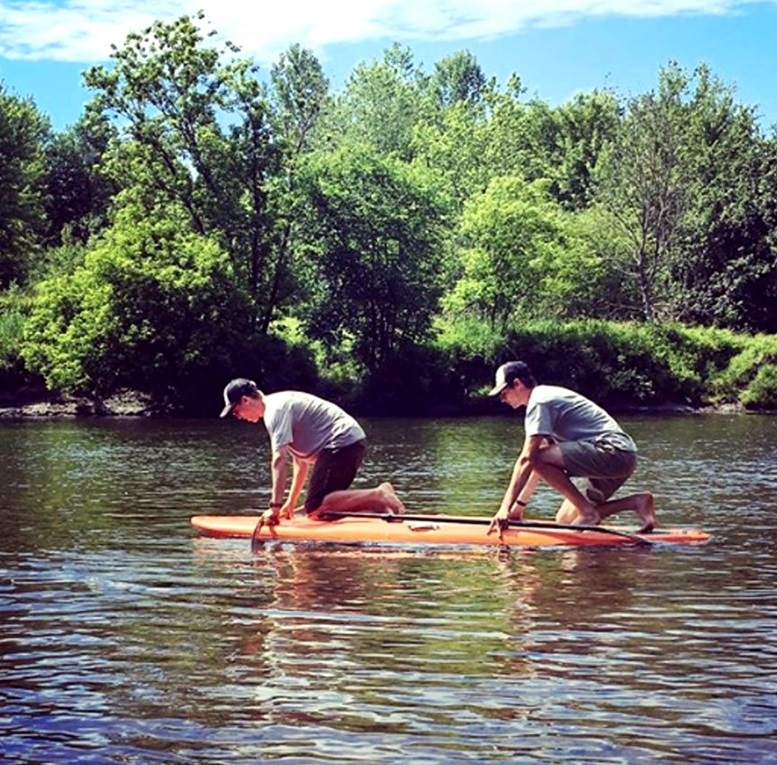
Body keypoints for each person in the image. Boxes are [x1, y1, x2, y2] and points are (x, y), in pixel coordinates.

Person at [486, 361, 656, 538]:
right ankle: (636, 502)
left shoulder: (539, 402)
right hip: (619, 457)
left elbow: (528, 459)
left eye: (504, 393)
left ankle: (588, 513)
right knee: (564, 520)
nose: (502, 399)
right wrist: (516, 510)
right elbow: (537, 465)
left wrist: (503, 509)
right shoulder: (543, 400)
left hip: (613, 452)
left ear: (517, 384)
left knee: (535, 457)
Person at [219, 378, 405, 529]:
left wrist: (274, 508)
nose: (238, 417)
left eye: (236, 412)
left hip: (342, 442)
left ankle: (378, 495)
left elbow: (279, 460)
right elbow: (300, 463)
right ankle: (375, 510)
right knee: (324, 512)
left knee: (315, 507)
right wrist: (290, 503)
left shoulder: (274, 411)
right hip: (350, 442)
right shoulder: (278, 405)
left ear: (246, 400)